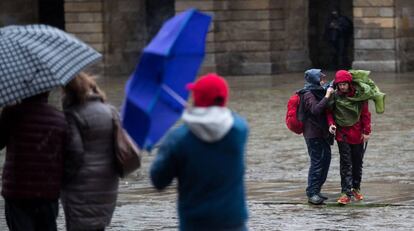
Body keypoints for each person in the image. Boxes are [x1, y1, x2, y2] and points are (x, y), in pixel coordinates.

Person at [150, 73, 249, 231]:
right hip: (233, 222)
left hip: (195, 224)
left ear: (196, 99)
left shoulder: (178, 139)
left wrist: (166, 147)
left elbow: (159, 180)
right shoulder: (239, 130)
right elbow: (229, 116)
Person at [0, 92, 68, 231]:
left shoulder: (11, 114)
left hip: (17, 192)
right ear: (47, 92)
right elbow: (67, 156)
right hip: (47, 191)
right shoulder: (59, 118)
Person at [61, 72, 119, 231]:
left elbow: (75, 152)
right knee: (98, 225)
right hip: (108, 183)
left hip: (81, 186)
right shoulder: (110, 110)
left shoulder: (73, 114)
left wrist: (62, 177)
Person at [327, 70, 371, 205]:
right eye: (340, 85)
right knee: (345, 163)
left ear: (349, 83)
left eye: (344, 84)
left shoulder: (359, 96)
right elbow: (329, 112)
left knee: (357, 162)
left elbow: (365, 114)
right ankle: (346, 192)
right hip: (342, 135)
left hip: (357, 134)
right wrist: (331, 124)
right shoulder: (334, 97)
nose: (342, 87)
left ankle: (356, 188)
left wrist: (366, 131)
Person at [299, 69, 334, 205]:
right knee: (317, 163)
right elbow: (315, 110)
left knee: (326, 160)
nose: (323, 80)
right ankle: (312, 193)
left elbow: (330, 85)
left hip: (322, 133)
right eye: (321, 78)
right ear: (314, 79)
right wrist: (327, 96)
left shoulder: (318, 89)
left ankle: (317, 190)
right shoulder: (307, 94)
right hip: (313, 134)